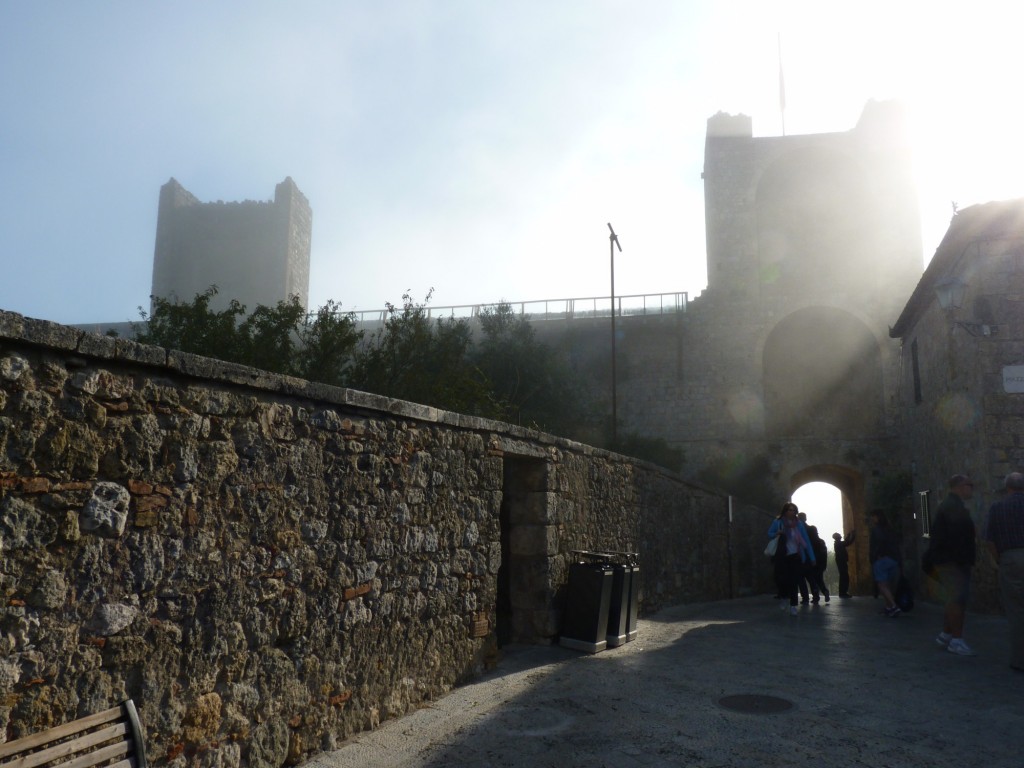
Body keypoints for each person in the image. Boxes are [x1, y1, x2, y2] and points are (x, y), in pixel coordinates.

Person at [930, 474, 977, 655]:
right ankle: (956, 640)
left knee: (952, 598)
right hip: (953, 562)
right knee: (957, 599)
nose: (971, 488)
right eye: (969, 484)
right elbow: (957, 537)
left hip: (949, 560)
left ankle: (946, 634)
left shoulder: (950, 505)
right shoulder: (953, 507)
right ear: (959, 486)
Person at [984, 472, 1024, 671]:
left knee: (1016, 610)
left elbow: (989, 540)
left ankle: (1020, 660)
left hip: (1010, 558)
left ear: (1008, 488)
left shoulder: (997, 508)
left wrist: (1000, 559)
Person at [767, 502, 816, 615]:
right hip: (782, 556)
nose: (792, 512)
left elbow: (806, 541)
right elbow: (769, 533)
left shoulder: (799, 525)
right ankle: (784, 597)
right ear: (785, 511)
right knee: (781, 579)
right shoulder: (778, 522)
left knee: (795, 580)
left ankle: (793, 604)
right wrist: (777, 533)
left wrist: (812, 557)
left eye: (794, 510)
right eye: (790, 510)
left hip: (795, 556)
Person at [869, 510, 902, 617]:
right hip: (894, 558)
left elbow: (879, 543)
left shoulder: (876, 530)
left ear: (877, 517)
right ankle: (888, 607)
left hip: (882, 560)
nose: (872, 519)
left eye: (873, 517)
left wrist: (876, 556)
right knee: (886, 584)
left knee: (881, 584)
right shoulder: (889, 528)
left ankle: (893, 606)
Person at [806, 525, 830, 603]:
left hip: (812, 563)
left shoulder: (809, 542)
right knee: (819, 580)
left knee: (812, 580)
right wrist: (824, 565)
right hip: (821, 564)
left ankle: (816, 596)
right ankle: (825, 591)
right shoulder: (821, 541)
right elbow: (824, 554)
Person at [833, 530, 856, 597]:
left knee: (843, 576)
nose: (840, 536)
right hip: (841, 561)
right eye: (839, 535)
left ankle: (842, 592)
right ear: (837, 537)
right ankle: (843, 592)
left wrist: (848, 535)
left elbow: (845, 542)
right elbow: (848, 543)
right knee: (844, 576)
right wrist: (853, 536)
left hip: (840, 561)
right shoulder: (838, 543)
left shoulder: (838, 543)